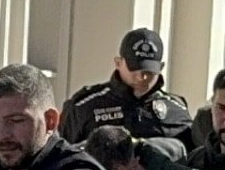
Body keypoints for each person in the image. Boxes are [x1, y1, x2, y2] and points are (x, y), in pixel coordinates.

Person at [58, 24, 193, 149]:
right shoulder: (85, 105)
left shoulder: (176, 109)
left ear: (161, 67)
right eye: (135, 68)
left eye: (149, 71)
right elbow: (61, 156)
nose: (142, 77)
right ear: (118, 63)